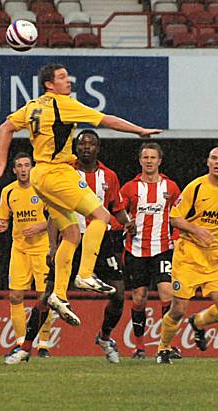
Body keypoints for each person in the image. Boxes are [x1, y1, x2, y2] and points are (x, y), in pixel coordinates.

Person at [0, 63, 161, 326]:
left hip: (39, 176)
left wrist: (0, 164)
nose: (69, 81)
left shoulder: (33, 105)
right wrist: (139, 131)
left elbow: (5, 128)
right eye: (62, 77)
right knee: (101, 215)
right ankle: (85, 274)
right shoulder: (63, 104)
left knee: (71, 233)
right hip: (58, 173)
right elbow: (107, 119)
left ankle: (58, 294)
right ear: (50, 85)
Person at [156, 147, 218, 364]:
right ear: (208, 162)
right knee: (177, 309)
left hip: (214, 258)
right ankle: (163, 348)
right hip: (187, 255)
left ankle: (198, 322)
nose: (217, 162)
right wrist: (196, 230)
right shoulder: (195, 187)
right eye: (214, 158)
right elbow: (174, 218)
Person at [71, 129, 131, 363]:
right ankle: (24, 347)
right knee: (48, 295)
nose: (86, 147)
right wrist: (52, 247)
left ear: (98, 148)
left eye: (91, 144)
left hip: (101, 241)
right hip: (72, 236)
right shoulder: (67, 172)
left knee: (118, 294)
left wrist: (128, 223)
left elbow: (117, 207)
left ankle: (105, 337)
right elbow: (54, 209)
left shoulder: (109, 176)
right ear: (76, 148)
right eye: (82, 143)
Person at [120, 142, 182, 359]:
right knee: (139, 298)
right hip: (136, 251)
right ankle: (139, 347)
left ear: (159, 161)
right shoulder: (130, 188)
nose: (149, 161)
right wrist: (126, 225)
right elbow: (117, 213)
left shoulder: (171, 187)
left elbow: (179, 215)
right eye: (145, 157)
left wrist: (175, 238)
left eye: (152, 158)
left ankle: (167, 345)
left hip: (163, 248)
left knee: (167, 293)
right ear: (140, 161)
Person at [0, 152, 54, 364]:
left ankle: (44, 343)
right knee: (15, 296)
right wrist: (1, 225)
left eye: (26, 165)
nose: (23, 169)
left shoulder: (42, 188)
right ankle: (22, 343)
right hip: (18, 250)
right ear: (14, 170)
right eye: (19, 166)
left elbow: (56, 218)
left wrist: (41, 226)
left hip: (42, 249)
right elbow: (3, 219)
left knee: (44, 298)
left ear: (32, 167)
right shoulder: (8, 191)